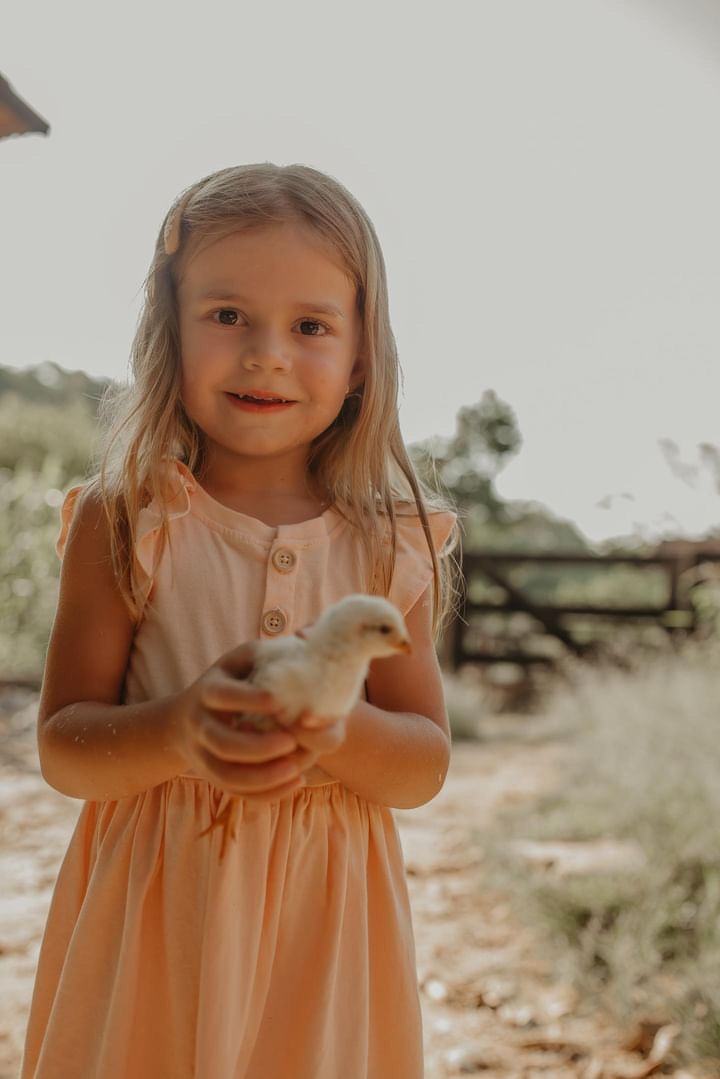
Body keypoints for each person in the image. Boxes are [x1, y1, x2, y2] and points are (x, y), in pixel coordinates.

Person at [21, 163, 460, 1079]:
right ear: (167, 336)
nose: (267, 352)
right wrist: (183, 728)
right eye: (227, 316)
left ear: (360, 357)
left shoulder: (391, 546)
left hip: (323, 928)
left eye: (310, 325)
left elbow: (422, 761)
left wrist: (329, 722)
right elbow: (65, 746)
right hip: (155, 911)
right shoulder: (128, 519)